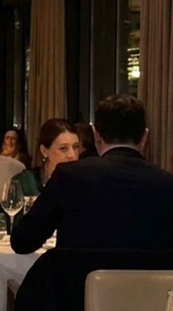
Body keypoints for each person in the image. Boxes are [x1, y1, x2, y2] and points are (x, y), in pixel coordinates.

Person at [11, 94, 173, 253]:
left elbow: (22, 241)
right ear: (144, 136)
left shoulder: (69, 175)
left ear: (96, 134)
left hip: (78, 271)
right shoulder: (167, 184)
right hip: (147, 273)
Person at [14, 118, 80, 196]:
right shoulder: (25, 183)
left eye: (76, 147)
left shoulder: (83, 182)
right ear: (44, 151)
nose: (72, 155)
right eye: (63, 148)